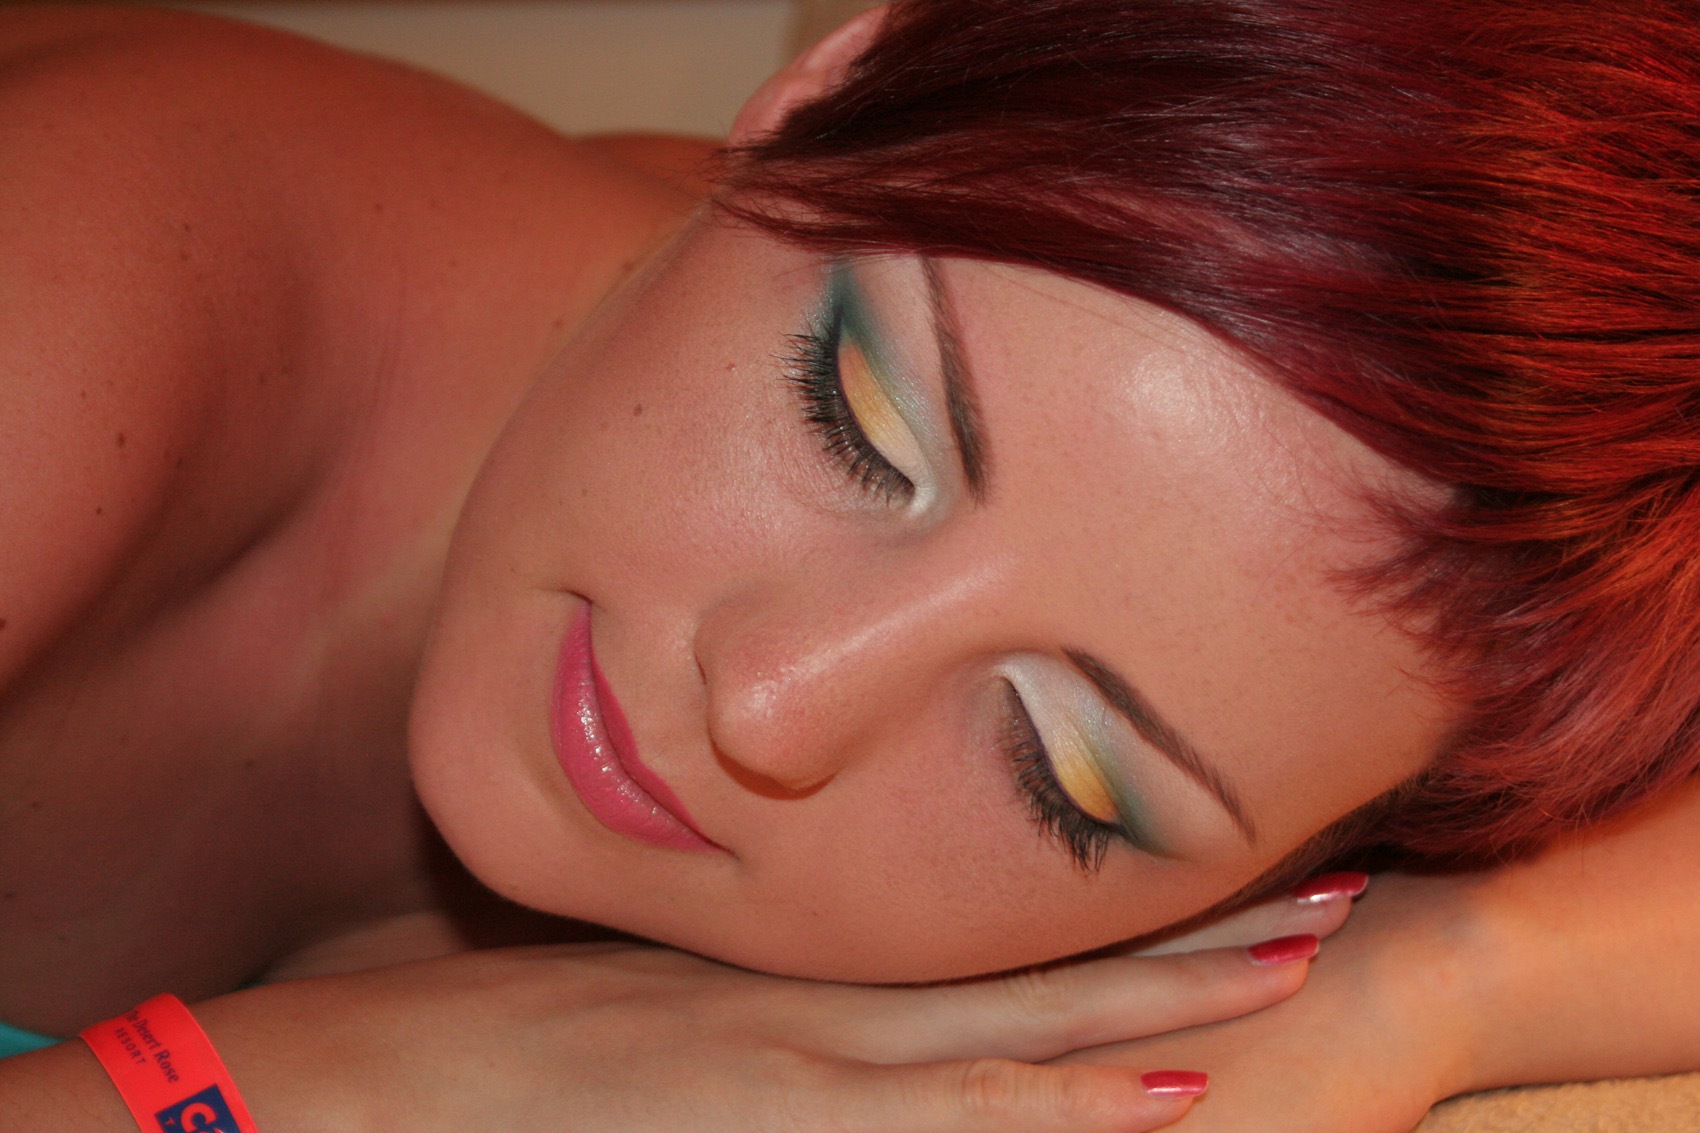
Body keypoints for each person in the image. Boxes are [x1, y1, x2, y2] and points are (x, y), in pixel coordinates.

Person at [0, 1, 1695, 1130]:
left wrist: (1433, 982)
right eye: (858, 418)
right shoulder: (66, 329)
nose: (771, 701)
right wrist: (309, 1088)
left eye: (1059, 768)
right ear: (821, 92)